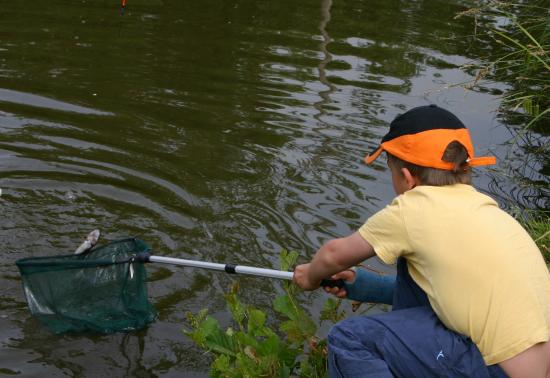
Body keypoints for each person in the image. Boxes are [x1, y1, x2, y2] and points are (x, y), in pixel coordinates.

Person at [293, 105, 550, 377]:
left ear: (406, 178)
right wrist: (366, 286)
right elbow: (443, 293)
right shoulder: (485, 209)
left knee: (350, 341)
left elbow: (333, 254)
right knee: (412, 261)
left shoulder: (412, 209)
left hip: (494, 369)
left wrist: (310, 276)